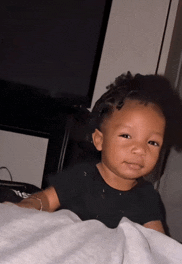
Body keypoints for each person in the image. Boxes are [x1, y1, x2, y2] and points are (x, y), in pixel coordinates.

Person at [16, 72, 182, 234]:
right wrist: (31, 204)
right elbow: (46, 199)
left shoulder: (147, 197)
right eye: (126, 136)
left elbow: (157, 241)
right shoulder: (82, 177)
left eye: (152, 142)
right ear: (99, 140)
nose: (140, 149)